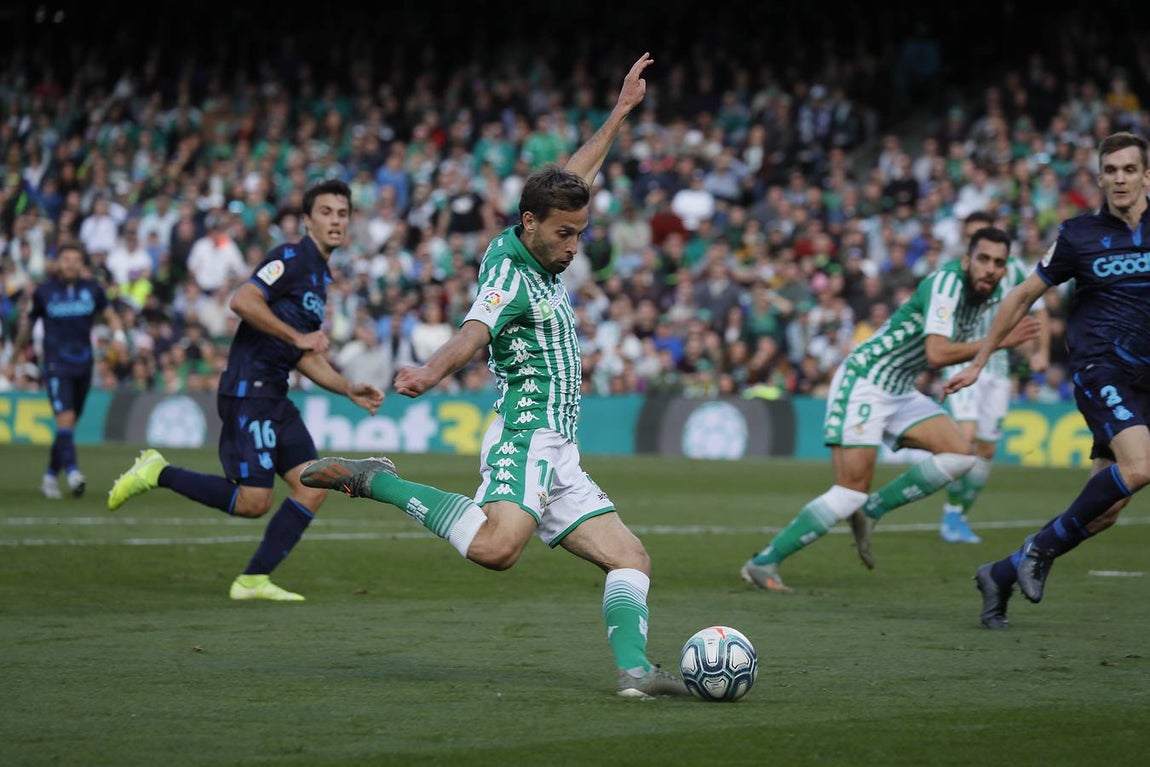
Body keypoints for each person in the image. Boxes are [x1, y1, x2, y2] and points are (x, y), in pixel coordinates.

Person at [300, 54, 688, 699]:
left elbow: (575, 177)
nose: (574, 247)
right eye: (565, 235)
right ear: (529, 224)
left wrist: (620, 112)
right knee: (494, 549)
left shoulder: (545, 234)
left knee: (631, 558)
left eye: (581, 235)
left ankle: (634, 670)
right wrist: (429, 370)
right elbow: (474, 333)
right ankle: (378, 481)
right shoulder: (509, 275)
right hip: (526, 431)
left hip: (560, 447)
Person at [106, 179, 384, 601]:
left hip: (274, 393)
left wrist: (347, 388)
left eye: (342, 214)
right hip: (248, 389)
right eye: (326, 212)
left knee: (313, 486)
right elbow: (243, 300)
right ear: (307, 219)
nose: (335, 221)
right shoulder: (290, 257)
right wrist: (296, 336)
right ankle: (157, 471)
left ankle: (252, 580)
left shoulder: (318, 276)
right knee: (255, 501)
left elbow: (303, 354)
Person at [740, 226, 1041, 593]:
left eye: (998, 262)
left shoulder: (989, 296)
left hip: (900, 388)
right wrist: (999, 343)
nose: (990, 269)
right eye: (983, 259)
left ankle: (873, 510)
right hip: (866, 381)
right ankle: (764, 561)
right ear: (967, 260)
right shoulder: (947, 284)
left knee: (962, 455)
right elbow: (936, 353)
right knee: (850, 491)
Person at [944, 131, 1150, 629]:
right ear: (1099, 178)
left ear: (1146, 175)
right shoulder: (1079, 235)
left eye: (1129, 169)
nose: (1120, 178)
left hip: (1146, 380)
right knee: (1141, 466)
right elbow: (1020, 296)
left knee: (1105, 509)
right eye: (1111, 170)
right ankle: (1039, 550)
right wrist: (979, 359)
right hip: (1101, 369)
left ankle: (1001, 573)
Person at [936, 210, 1051, 543]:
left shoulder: (1013, 270)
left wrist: (1042, 351)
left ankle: (955, 514)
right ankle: (949, 513)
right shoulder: (953, 273)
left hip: (998, 368)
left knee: (986, 449)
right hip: (963, 360)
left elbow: (1038, 309)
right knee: (966, 438)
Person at [14, 241, 121, 498]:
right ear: (58, 263)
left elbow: (110, 315)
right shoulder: (44, 291)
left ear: (82, 263)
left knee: (70, 422)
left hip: (84, 364)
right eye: (66, 259)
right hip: (55, 364)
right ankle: (73, 474)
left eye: (75, 259)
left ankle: (50, 476)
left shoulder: (93, 289)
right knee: (65, 418)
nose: (70, 263)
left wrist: (118, 336)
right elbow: (28, 326)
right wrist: (15, 355)